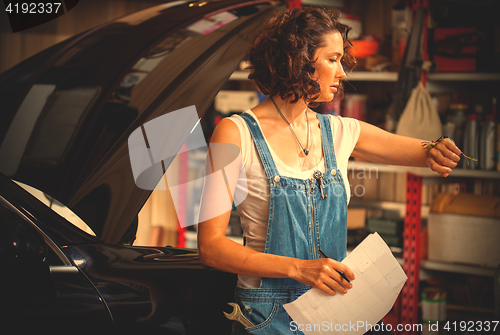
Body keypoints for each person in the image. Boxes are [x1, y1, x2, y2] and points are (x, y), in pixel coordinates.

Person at [197, 6, 461, 335]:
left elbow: (419, 148)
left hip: (333, 311)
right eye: (333, 59)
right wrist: (299, 269)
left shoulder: (338, 132)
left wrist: (435, 147)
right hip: (264, 316)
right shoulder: (234, 133)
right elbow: (210, 247)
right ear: (300, 60)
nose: (343, 73)